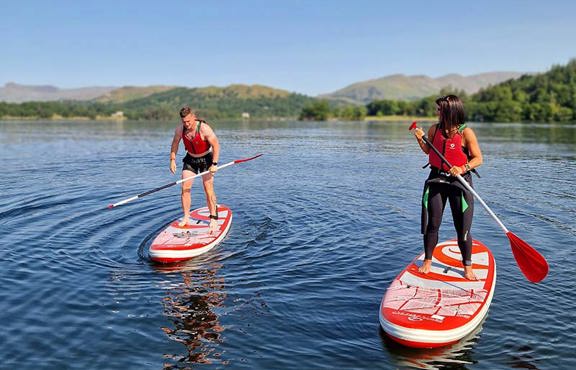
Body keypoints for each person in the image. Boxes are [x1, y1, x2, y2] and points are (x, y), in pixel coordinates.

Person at [413, 95, 483, 280]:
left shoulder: (466, 133)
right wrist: (420, 139)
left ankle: (467, 266)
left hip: (459, 184)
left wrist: (462, 167)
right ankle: (428, 260)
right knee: (432, 224)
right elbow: (429, 151)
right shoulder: (434, 130)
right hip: (436, 180)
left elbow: (478, 159)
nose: (436, 112)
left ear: (449, 111)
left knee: (463, 228)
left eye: (439, 109)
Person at [170, 106, 220, 231]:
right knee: (185, 188)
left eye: (189, 121)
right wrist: (172, 159)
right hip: (190, 159)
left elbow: (216, 145)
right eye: (184, 122)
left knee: (208, 190)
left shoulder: (204, 128)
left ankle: (213, 217)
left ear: (194, 117)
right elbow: (175, 144)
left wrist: (214, 164)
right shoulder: (180, 129)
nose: (186, 124)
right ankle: (186, 217)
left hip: (206, 160)